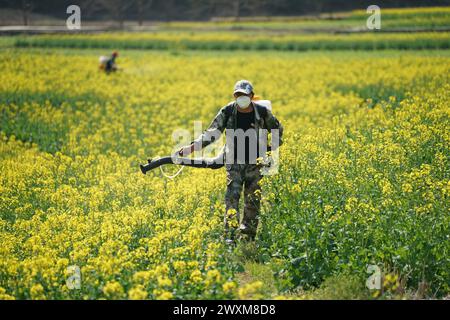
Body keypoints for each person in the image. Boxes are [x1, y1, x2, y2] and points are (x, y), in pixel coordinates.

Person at [178, 80, 283, 243]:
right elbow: (211, 133)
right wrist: (191, 148)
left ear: (251, 96)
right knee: (232, 199)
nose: (241, 98)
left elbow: (277, 128)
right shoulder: (227, 111)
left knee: (252, 201)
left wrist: (271, 148)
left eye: (244, 95)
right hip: (234, 162)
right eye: (238, 95)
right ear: (235, 96)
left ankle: (248, 238)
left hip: (255, 163)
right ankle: (230, 237)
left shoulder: (261, 112)